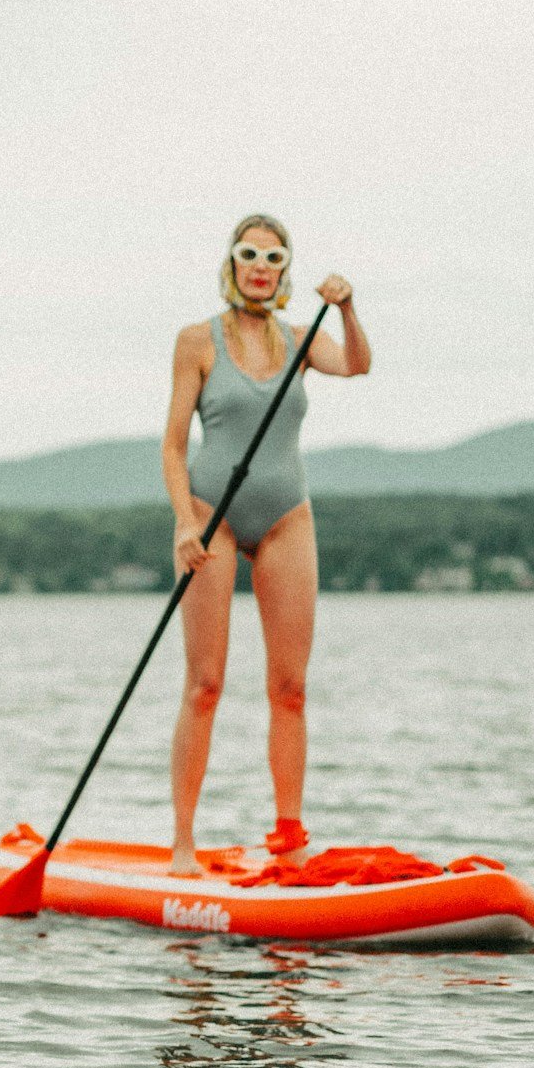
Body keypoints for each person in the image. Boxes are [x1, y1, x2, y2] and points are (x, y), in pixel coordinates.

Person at [159, 214, 370, 876]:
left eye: (273, 256)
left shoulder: (303, 338)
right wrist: (184, 523)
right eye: (249, 253)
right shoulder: (197, 339)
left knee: (290, 687)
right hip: (210, 517)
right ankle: (184, 846)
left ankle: (289, 834)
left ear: (284, 271)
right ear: (232, 262)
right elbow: (171, 443)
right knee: (207, 683)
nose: (260, 264)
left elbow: (358, 365)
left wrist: (348, 308)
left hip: (287, 516)